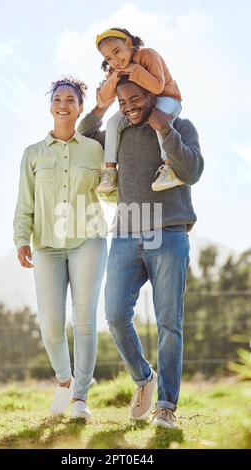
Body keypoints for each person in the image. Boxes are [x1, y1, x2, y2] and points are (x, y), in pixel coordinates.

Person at [78, 75, 204, 428]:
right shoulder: (117, 133)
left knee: (169, 324)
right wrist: (103, 104)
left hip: (170, 233)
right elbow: (85, 134)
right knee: (115, 314)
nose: (129, 106)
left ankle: (166, 406)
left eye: (136, 99)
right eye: (123, 102)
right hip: (127, 235)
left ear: (152, 94)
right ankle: (143, 377)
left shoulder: (181, 126)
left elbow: (193, 170)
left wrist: (165, 129)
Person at [13, 77, 107, 420]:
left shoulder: (95, 149)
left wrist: (111, 182)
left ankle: (81, 397)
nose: (63, 104)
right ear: (51, 105)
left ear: (80, 107)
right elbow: (25, 202)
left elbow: (109, 192)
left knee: (84, 320)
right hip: (47, 245)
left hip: (89, 239)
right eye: (58, 99)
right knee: (51, 323)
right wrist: (21, 239)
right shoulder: (33, 153)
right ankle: (65, 381)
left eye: (70, 99)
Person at [95, 27, 183, 193]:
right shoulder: (115, 69)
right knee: (112, 122)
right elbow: (102, 100)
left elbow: (157, 87)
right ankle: (111, 171)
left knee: (157, 119)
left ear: (128, 43)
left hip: (167, 98)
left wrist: (133, 70)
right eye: (109, 58)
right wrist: (114, 77)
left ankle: (170, 169)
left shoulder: (148, 55)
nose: (115, 60)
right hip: (138, 105)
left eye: (117, 51)